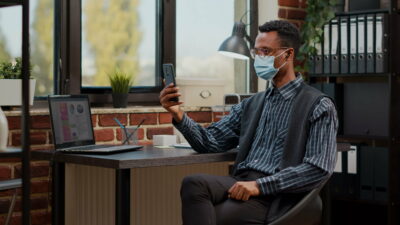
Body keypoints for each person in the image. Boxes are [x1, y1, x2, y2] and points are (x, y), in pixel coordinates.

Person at [159, 20, 338, 225]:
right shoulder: (252, 104)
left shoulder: (319, 106)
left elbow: (318, 169)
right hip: (242, 181)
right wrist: (178, 114)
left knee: (217, 217)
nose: (258, 58)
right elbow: (210, 142)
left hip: (277, 195)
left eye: (266, 51)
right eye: (256, 52)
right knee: (194, 184)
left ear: (288, 55)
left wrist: (259, 186)